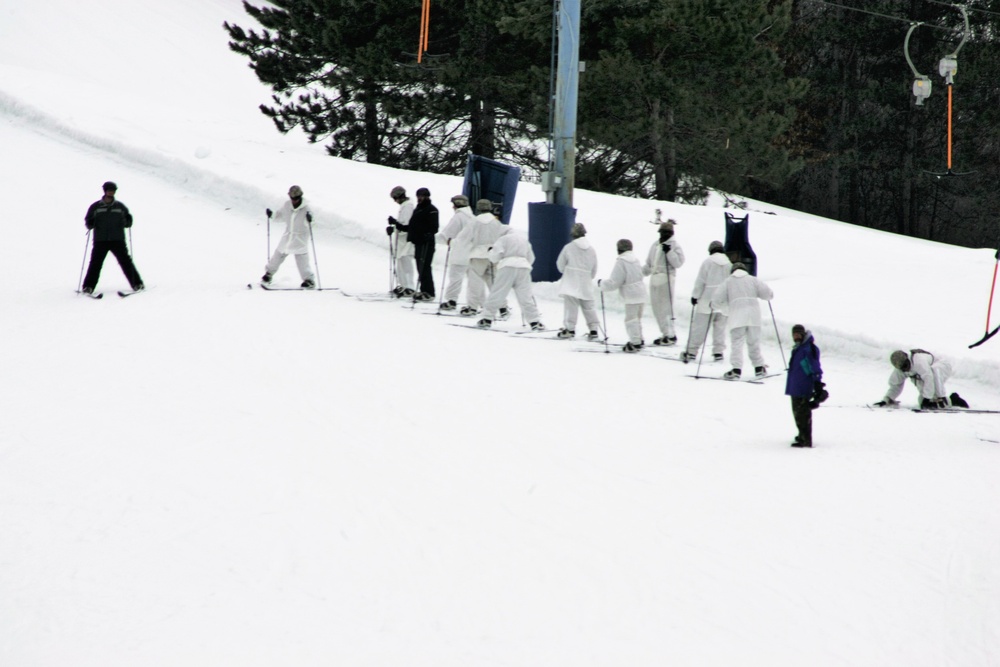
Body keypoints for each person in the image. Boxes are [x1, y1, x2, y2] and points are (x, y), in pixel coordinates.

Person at [710, 262, 773, 379]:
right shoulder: (753, 280)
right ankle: (759, 368)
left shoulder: (728, 282)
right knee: (754, 342)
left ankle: (736, 370)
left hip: (737, 316)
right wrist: (769, 296)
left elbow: (717, 299)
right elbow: (768, 294)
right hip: (754, 316)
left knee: (737, 343)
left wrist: (713, 305)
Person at [82, 181, 144, 294]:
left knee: (125, 262)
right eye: (109, 190)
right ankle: (88, 287)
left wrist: (128, 220)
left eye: (113, 190)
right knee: (95, 263)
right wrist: (91, 223)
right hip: (100, 240)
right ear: (105, 191)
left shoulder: (120, 207)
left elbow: (128, 222)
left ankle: (137, 284)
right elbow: (88, 222)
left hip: (117, 239)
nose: (111, 192)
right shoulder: (95, 207)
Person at [477, 227, 544, 331]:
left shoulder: (503, 239)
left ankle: (487, 319)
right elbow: (531, 258)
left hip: (507, 267)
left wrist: (490, 252)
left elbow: (495, 257)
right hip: (523, 267)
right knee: (526, 296)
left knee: (497, 293)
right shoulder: (524, 240)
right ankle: (535, 321)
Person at [456, 199, 509, 319]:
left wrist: (455, 244)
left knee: (474, 282)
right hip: (492, 255)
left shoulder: (474, 221)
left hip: (477, 255)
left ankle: (472, 307)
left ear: (478, 209)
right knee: (494, 282)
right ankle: (503, 307)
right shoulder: (496, 222)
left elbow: (463, 237)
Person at [682, 240, 731, 363]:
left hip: (707, 300)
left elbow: (701, 281)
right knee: (720, 328)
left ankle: (692, 352)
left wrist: (695, 296)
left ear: (711, 250)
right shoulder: (729, 263)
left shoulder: (708, 262)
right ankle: (718, 352)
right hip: (723, 301)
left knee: (700, 327)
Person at [873, 349, 969, 409]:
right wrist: (887, 399)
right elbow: (896, 385)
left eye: (906, 365)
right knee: (922, 402)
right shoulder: (901, 369)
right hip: (926, 375)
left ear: (907, 358)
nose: (906, 369)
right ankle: (953, 400)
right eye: (903, 368)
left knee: (934, 372)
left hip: (942, 366)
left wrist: (927, 398)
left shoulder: (918, 361)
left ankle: (942, 397)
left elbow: (929, 378)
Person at [262, 185, 316, 288]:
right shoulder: (287, 205)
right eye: (292, 198)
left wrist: (310, 219)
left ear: (300, 197)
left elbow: (312, 223)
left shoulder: (306, 209)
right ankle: (268, 274)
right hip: (288, 237)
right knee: (277, 256)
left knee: (303, 262)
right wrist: (272, 214)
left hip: (300, 239)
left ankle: (309, 280)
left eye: (296, 198)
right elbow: (279, 216)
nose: (294, 200)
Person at [599, 239, 648, 352]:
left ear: (619, 249)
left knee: (630, 319)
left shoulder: (621, 262)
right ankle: (639, 339)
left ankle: (635, 343)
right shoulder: (635, 260)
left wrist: (602, 284)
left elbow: (615, 282)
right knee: (637, 318)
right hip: (641, 292)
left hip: (631, 294)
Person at [642, 220, 685, 346]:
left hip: (666, 278)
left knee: (666, 308)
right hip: (655, 279)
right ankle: (665, 333)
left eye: (666, 233)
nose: (663, 235)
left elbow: (678, 263)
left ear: (671, 233)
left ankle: (670, 334)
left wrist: (669, 252)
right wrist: (639, 274)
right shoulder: (655, 245)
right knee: (657, 308)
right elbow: (649, 264)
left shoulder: (674, 245)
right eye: (662, 232)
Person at [391, 187, 438, 301]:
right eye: (418, 196)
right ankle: (419, 289)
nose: (420, 198)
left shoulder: (431, 209)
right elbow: (411, 226)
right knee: (419, 266)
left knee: (422, 266)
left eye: (422, 196)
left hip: (423, 242)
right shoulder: (418, 208)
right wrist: (395, 226)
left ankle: (425, 290)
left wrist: (428, 233)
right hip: (417, 240)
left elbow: (433, 227)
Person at [555, 222, 601, 340]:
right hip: (585, 282)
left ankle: (570, 329)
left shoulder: (569, 247)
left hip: (571, 280)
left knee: (571, 307)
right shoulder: (591, 250)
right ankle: (594, 330)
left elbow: (560, 265)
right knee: (588, 306)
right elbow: (594, 270)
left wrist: (566, 271)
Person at [785, 324, 827, 448]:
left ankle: (805, 440)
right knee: (797, 413)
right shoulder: (798, 348)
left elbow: (814, 367)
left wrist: (818, 383)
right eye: (794, 335)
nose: (796, 337)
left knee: (802, 413)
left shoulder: (808, 349)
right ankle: (801, 435)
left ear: (803, 334)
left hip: (803, 386)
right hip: (795, 386)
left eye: (798, 334)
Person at [437, 194, 476, 310]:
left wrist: (432, 239)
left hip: (460, 252)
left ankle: (451, 300)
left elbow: (447, 235)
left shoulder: (458, 217)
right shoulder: (473, 217)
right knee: (473, 281)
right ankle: (474, 304)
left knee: (455, 278)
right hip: (472, 253)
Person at [386, 186, 416, 297]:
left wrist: (395, 224)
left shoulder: (408, 207)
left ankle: (410, 287)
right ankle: (403, 285)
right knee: (400, 263)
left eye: (395, 198)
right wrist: (393, 228)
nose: (395, 201)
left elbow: (406, 225)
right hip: (401, 240)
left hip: (406, 240)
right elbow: (401, 223)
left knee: (406, 263)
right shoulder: (404, 206)